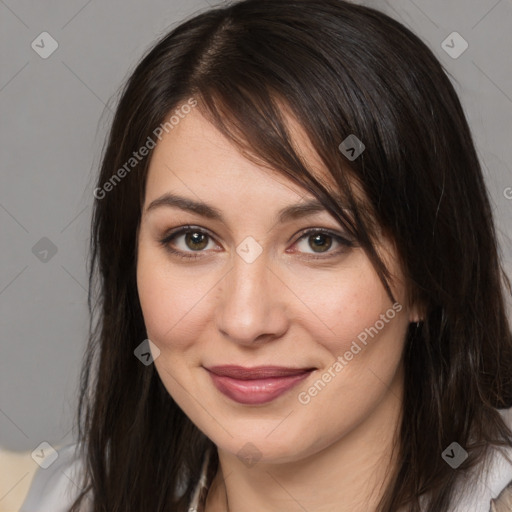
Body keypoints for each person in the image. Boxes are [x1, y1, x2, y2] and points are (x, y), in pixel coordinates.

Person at [20, 0, 512, 511]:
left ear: (429, 275)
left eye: (320, 241)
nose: (246, 320)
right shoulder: (68, 498)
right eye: (193, 239)